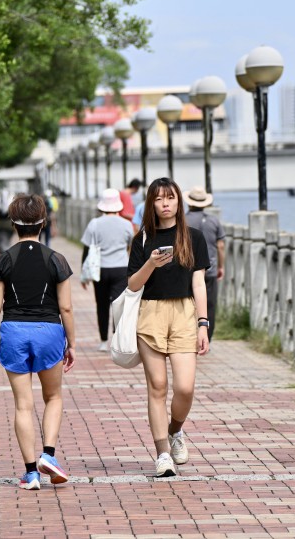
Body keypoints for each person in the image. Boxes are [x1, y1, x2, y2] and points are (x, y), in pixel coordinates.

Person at [0, 194, 76, 491]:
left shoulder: (3, 261)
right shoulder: (56, 259)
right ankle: (49, 454)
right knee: (54, 397)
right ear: (43, 222)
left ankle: (31, 473)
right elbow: (67, 308)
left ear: (12, 224)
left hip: (14, 332)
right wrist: (71, 343)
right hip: (49, 331)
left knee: (23, 404)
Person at [126, 178, 210, 477]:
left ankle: (175, 430)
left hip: (185, 312)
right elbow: (133, 284)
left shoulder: (193, 237)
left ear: (179, 202)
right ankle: (162, 454)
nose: (165, 203)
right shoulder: (142, 240)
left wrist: (203, 323)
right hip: (151, 313)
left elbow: (199, 282)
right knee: (157, 387)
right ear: (151, 203)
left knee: (185, 387)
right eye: (159, 199)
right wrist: (150, 264)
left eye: (170, 198)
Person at [80, 188, 134, 351]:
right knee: (118, 305)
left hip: (100, 270)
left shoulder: (94, 224)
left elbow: (86, 250)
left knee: (101, 305)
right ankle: (117, 340)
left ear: (102, 206)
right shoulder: (126, 224)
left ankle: (104, 341)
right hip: (121, 269)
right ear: (118, 205)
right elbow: (131, 246)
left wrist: (84, 274)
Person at [183, 187, 224, 341]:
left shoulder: (183, 220)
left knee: (190, 303)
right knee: (210, 305)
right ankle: (208, 337)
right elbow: (220, 246)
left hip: (189, 269)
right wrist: (221, 266)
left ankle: (190, 335)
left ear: (189, 203)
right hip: (211, 269)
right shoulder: (214, 220)